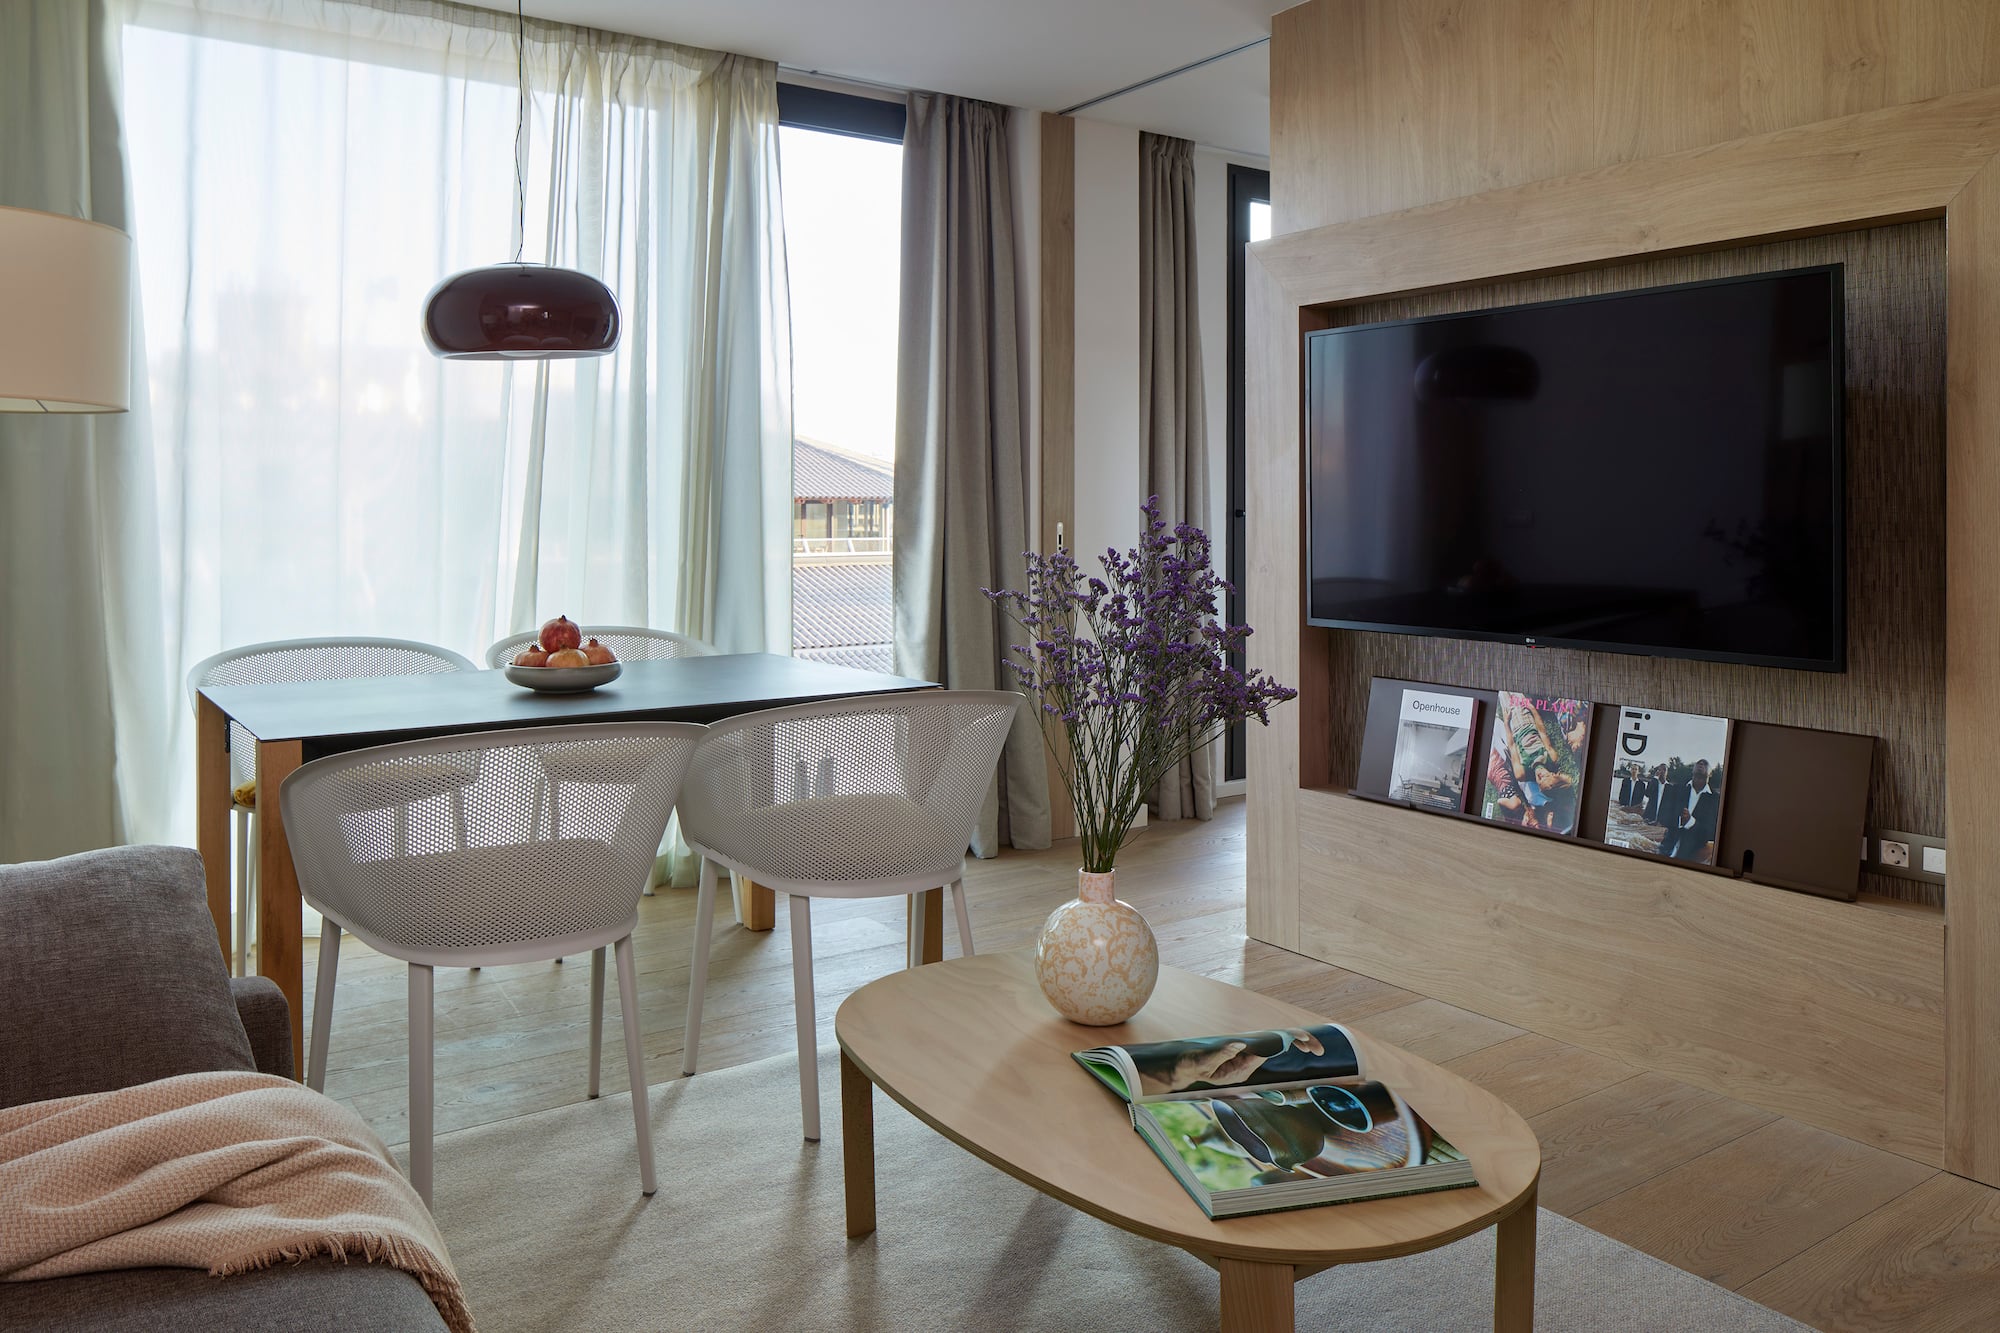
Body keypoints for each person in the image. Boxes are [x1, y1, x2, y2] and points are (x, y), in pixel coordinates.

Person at [1675, 762, 1723, 864]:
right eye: (1699, 762)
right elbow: (1664, 817)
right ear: (1692, 771)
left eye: (1705, 763)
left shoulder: (1715, 799)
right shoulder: (1678, 789)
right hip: (1669, 845)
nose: (1701, 762)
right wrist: (1680, 821)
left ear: (1710, 774)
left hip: (1693, 852)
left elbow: (1712, 833)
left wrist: (1691, 822)